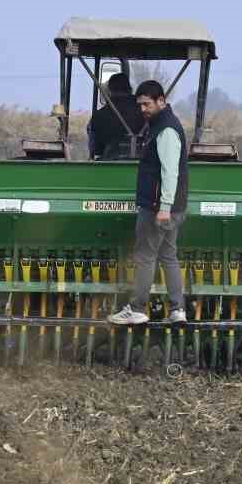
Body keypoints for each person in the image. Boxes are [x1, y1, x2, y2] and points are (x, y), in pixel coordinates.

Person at [107, 80, 188, 326]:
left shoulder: (166, 130)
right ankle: (177, 310)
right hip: (170, 207)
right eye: (140, 104)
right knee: (168, 256)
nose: (143, 109)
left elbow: (170, 171)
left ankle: (137, 308)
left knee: (144, 256)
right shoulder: (160, 125)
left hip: (158, 208)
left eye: (147, 104)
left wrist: (163, 207)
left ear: (161, 101)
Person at [88, 72, 145, 160]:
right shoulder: (146, 112)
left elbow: (95, 149)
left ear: (110, 91)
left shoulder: (98, 116)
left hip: (109, 165)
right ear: (130, 89)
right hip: (144, 164)